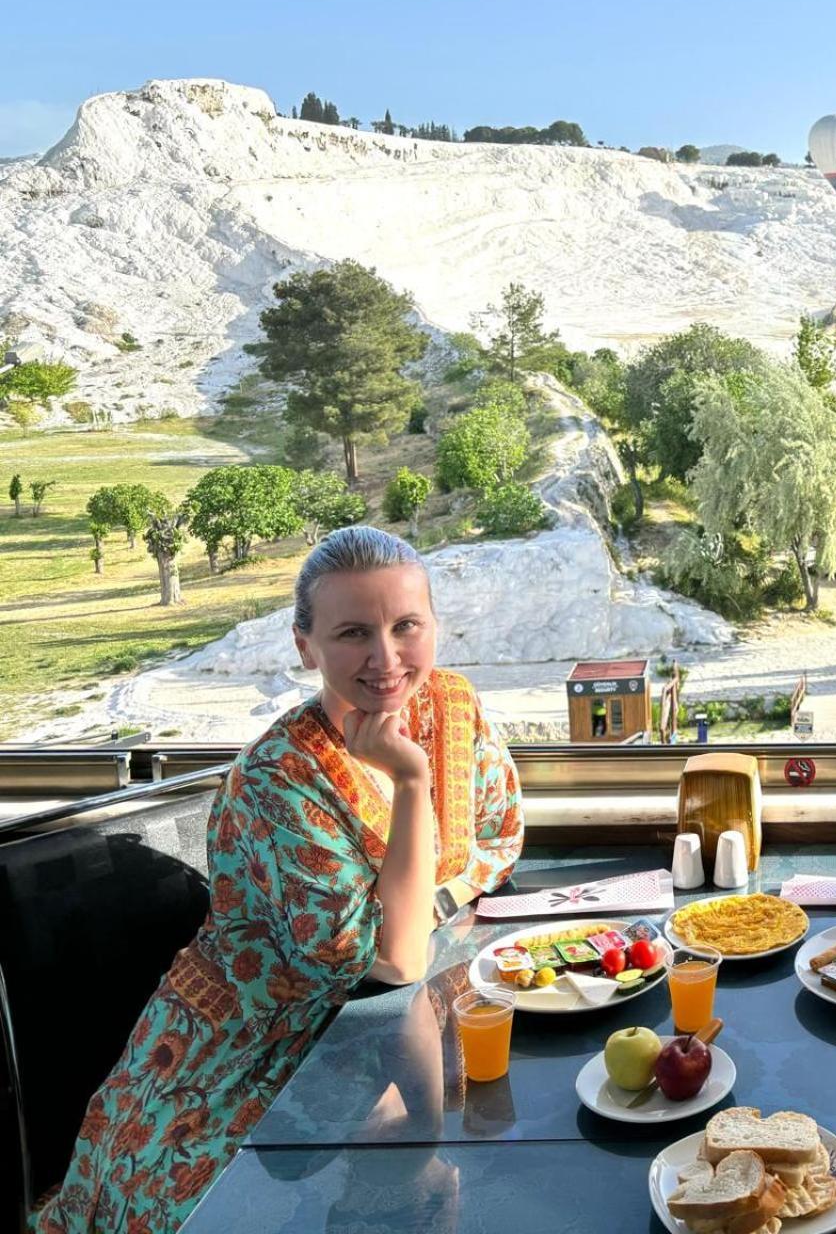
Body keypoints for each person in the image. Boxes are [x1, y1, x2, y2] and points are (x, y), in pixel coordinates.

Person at [32, 527, 524, 1234]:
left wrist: (425, 902)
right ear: (306, 647)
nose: (386, 658)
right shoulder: (277, 780)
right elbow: (393, 958)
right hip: (244, 1053)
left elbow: (499, 836)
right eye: (354, 632)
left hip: (390, 1022)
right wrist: (412, 781)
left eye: (406, 626)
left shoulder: (452, 705)